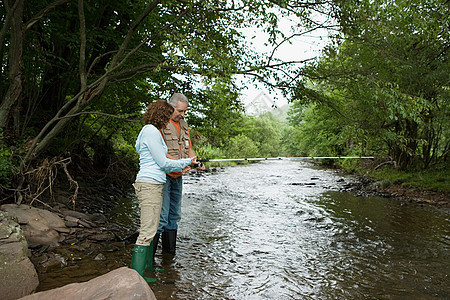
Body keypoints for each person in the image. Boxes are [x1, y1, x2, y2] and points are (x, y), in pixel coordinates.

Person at [131, 99, 197, 283]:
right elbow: (163, 162)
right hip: (150, 183)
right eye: (169, 114)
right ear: (162, 114)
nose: (171, 118)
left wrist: (187, 160)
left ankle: (147, 269)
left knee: (151, 227)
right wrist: (186, 162)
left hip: (153, 182)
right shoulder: (152, 132)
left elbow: (141, 150)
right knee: (148, 229)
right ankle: (137, 277)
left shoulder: (148, 131)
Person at [153, 93, 205, 259]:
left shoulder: (184, 124)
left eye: (184, 112)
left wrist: (195, 161)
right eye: (180, 111)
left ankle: (169, 259)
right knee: (161, 218)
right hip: (163, 176)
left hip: (178, 176)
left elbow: (188, 148)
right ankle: (150, 262)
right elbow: (160, 154)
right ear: (171, 107)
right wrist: (183, 163)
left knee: (174, 216)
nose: (182, 114)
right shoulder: (160, 124)